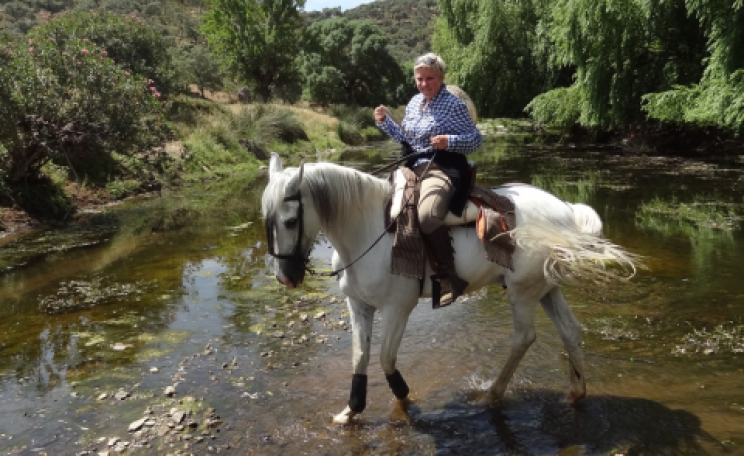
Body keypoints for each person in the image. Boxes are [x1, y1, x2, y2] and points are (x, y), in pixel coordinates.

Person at [374, 52, 482, 308]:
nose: (424, 84)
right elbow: (407, 139)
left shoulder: (454, 104)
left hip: (441, 168)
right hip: (412, 168)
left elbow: (476, 139)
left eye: (429, 78)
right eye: (419, 79)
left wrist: (449, 142)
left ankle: (448, 276)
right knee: (384, 209)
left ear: (441, 77)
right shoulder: (413, 103)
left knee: (427, 216)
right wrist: (384, 122)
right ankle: (397, 272)